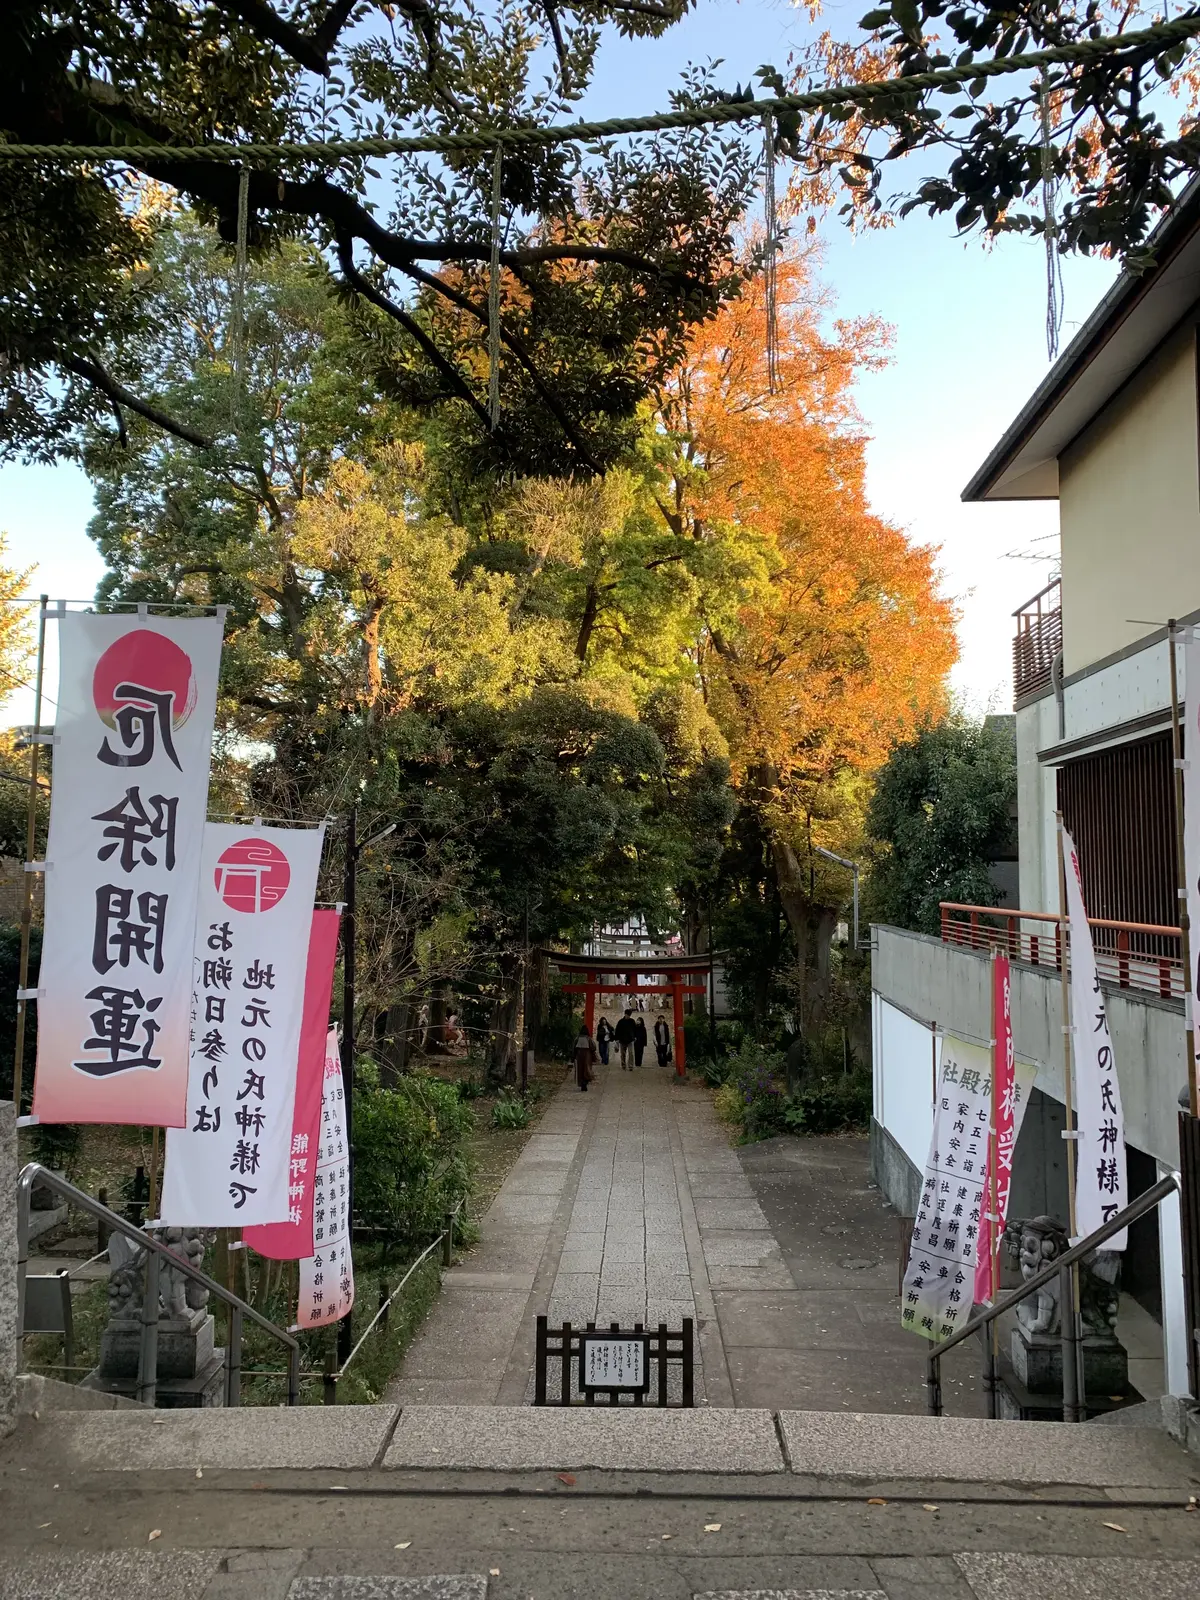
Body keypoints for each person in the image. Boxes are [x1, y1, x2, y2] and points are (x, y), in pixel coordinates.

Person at [573, 1025, 598, 1092]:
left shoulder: (577, 1039)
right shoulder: (588, 1039)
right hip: (587, 1056)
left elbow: (574, 1048)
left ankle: (581, 1082)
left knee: (580, 1070)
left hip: (579, 1056)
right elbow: (593, 1047)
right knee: (587, 1069)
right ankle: (585, 1082)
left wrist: (573, 1056)